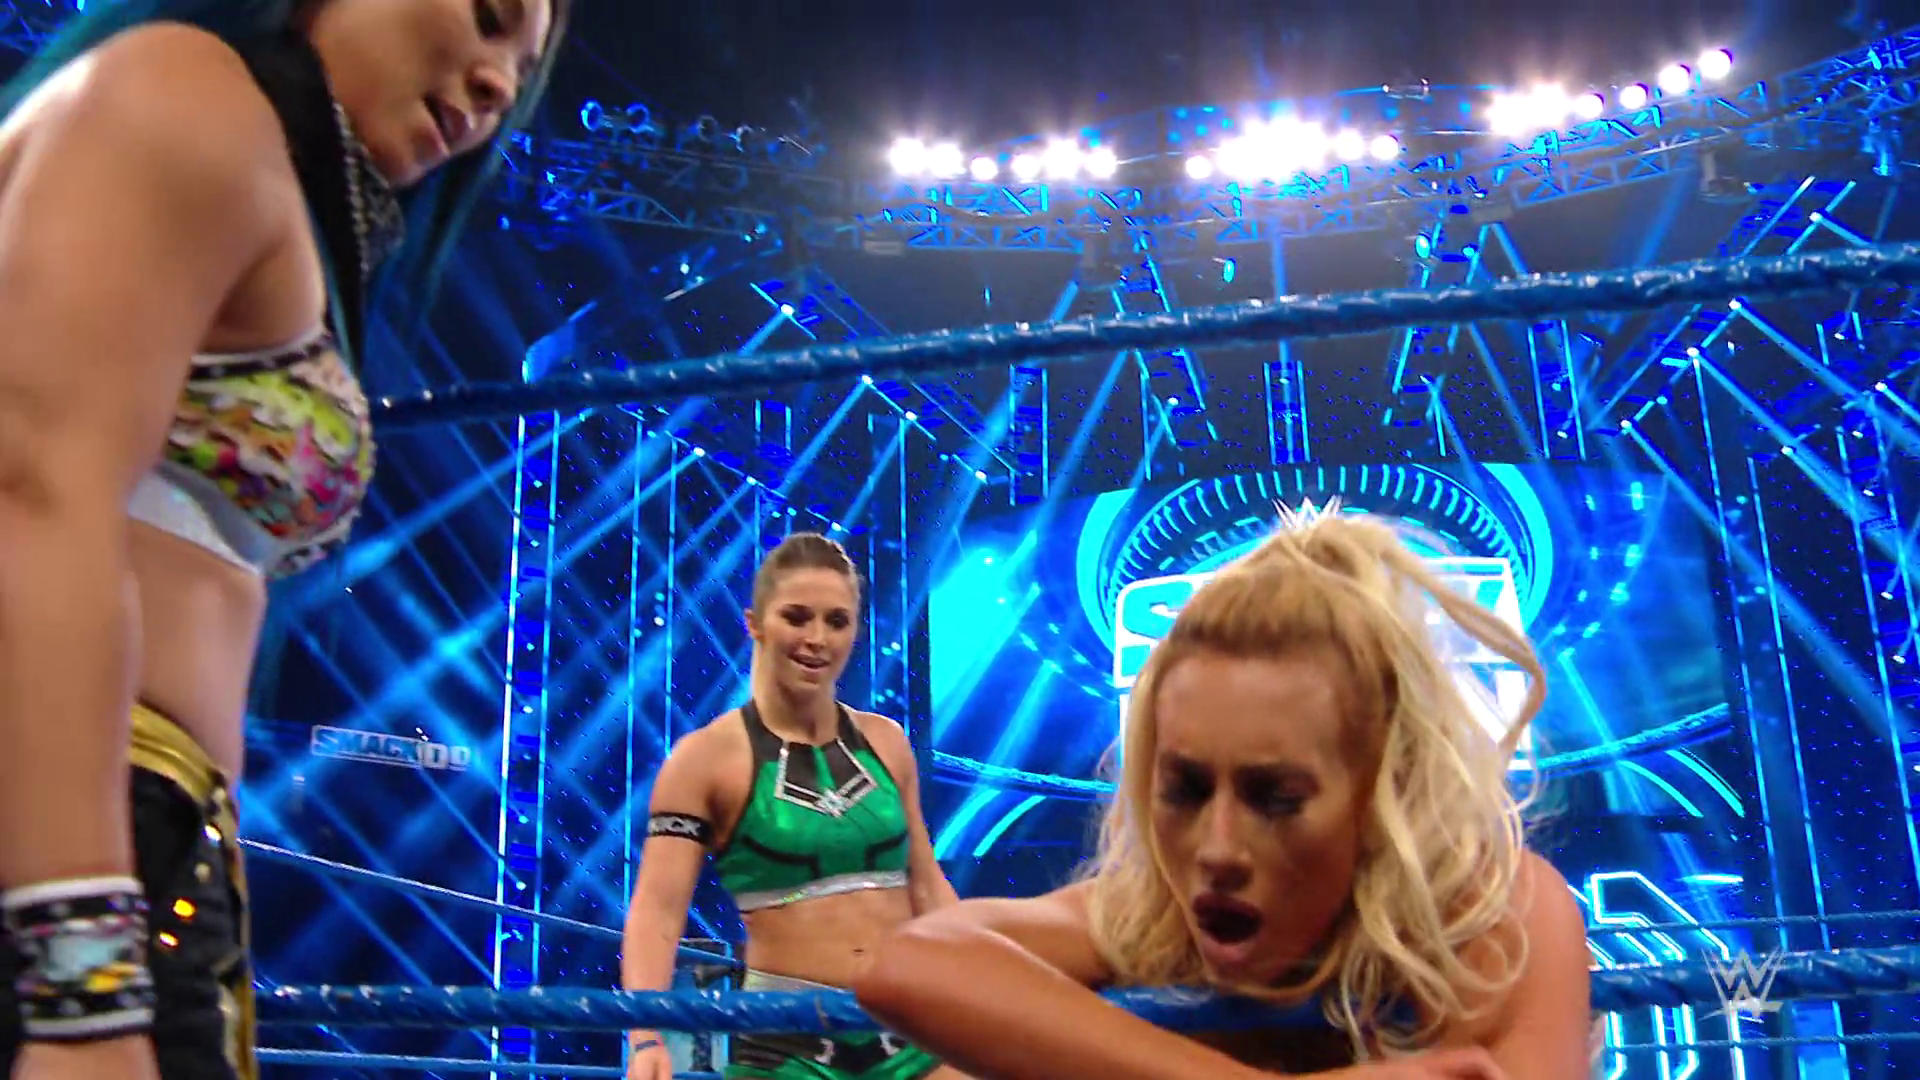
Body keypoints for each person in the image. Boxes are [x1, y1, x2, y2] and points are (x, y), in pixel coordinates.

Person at [0, 2, 567, 1079]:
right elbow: (29, 492)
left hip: (130, 834)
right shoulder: (181, 93)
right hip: (59, 829)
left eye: (522, 67)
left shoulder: (243, 155)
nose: (500, 85)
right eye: (488, 16)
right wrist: (81, 992)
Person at [854, 508, 1593, 1080]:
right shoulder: (1153, 916)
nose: (1217, 849)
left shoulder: (1496, 918)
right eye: (1185, 790)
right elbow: (913, 963)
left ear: (1382, 796)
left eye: (1276, 799)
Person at [622, 533, 966, 1080]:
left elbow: (926, 884)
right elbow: (657, 914)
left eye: (837, 621)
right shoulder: (703, 761)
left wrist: (987, 985)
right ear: (755, 623)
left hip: (908, 1022)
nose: (817, 639)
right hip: (787, 1043)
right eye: (797, 617)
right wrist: (645, 1039)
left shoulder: (887, 742)